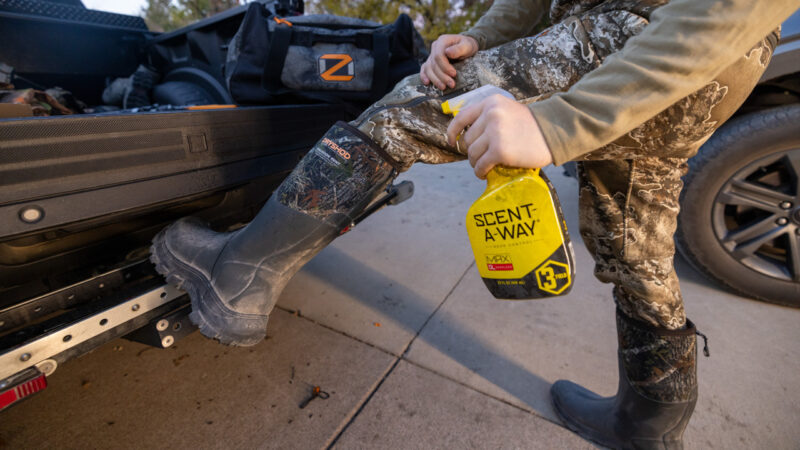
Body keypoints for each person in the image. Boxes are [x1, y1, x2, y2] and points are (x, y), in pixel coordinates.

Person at [150, 0, 796, 447]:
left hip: (658, 36)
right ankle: (650, 421)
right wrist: (482, 35)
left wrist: (556, 123)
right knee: (636, 238)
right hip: (708, 75)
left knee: (408, 109)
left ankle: (240, 275)